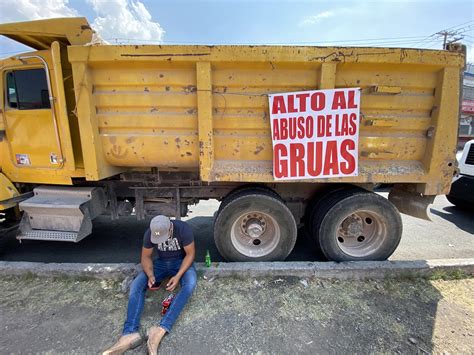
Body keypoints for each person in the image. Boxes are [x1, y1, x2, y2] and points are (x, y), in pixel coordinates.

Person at [103, 215, 197, 355]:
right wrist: (150, 274)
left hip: (181, 262)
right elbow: (145, 257)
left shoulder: (183, 229)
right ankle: (130, 333)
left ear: (170, 228)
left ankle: (160, 329)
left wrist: (177, 276)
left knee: (190, 284)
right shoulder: (150, 232)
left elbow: (190, 254)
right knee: (136, 285)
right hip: (160, 264)